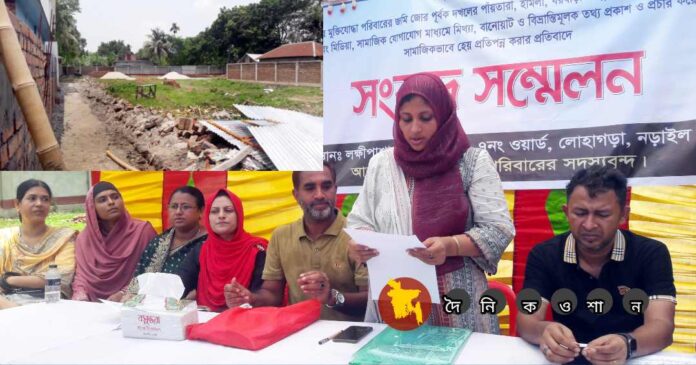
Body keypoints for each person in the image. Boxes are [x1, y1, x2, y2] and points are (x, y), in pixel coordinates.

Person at [346, 72, 514, 332]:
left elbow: (498, 229)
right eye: (406, 119)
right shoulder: (382, 164)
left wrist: (450, 245)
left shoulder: (472, 162)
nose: (414, 129)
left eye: (425, 118)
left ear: (444, 116)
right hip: (397, 296)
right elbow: (360, 221)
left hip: (459, 301)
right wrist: (361, 244)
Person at [517, 166, 676, 364]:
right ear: (566, 212)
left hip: (630, 357)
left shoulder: (651, 254)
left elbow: (662, 326)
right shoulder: (544, 254)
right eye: (580, 213)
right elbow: (526, 320)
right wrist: (543, 331)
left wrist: (627, 344)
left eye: (602, 214)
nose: (589, 224)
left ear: (623, 215)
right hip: (567, 357)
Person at [224, 163, 368, 321]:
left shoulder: (358, 236)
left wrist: (331, 297)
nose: (319, 195)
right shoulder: (281, 235)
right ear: (296, 194)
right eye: (310, 188)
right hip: (297, 334)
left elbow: (371, 300)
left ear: (335, 189)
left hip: (351, 338)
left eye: (326, 186)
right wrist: (250, 299)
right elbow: (272, 293)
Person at [177, 188, 267, 312]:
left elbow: (267, 297)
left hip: (246, 321)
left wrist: (246, 298)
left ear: (239, 214)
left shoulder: (257, 250)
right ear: (208, 217)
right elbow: (178, 285)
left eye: (228, 210)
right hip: (205, 321)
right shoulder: (201, 249)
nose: (221, 216)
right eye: (214, 211)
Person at [71, 181, 157, 302]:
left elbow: (153, 270)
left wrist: (124, 293)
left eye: (115, 197)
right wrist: (80, 295)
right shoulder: (84, 239)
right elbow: (81, 276)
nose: (111, 202)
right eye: (102, 200)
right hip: (92, 305)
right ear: (92, 208)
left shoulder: (143, 231)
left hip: (134, 302)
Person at [0, 179, 77, 309]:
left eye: (45, 199)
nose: (39, 203)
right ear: (17, 204)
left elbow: (62, 280)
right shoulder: (5, 238)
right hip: (7, 304)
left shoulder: (64, 237)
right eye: (32, 198)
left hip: (49, 303)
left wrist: (7, 280)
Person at [124, 186, 207, 297]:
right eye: (174, 207)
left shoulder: (208, 243)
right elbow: (139, 278)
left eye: (186, 207)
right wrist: (124, 294)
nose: (178, 212)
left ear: (201, 211)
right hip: (148, 305)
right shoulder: (158, 242)